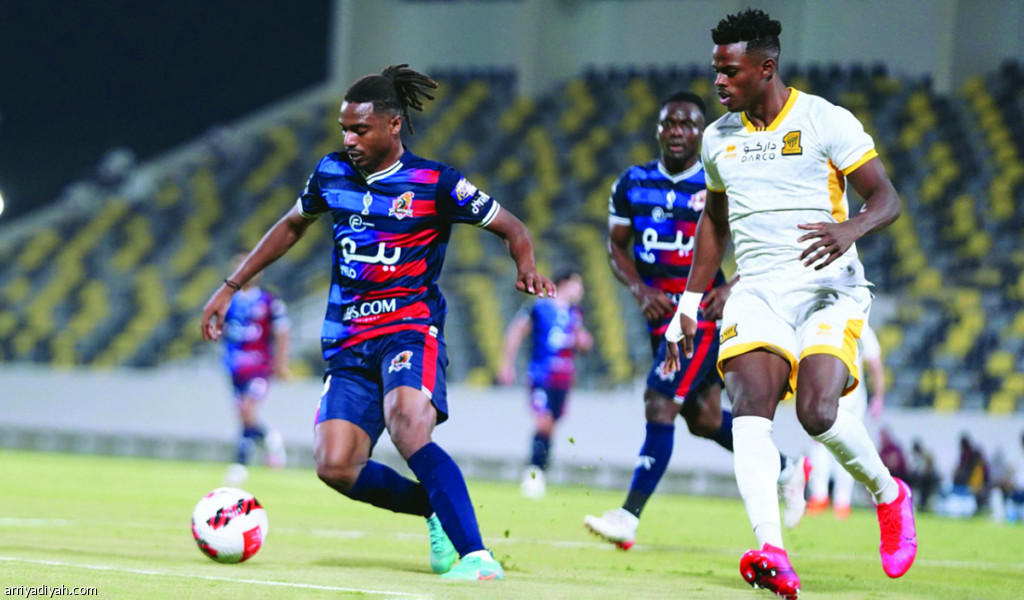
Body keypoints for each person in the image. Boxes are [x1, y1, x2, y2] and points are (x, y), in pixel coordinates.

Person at [201, 64, 556, 581]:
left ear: (393, 125)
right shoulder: (330, 173)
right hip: (349, 339)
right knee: (335, 465)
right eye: (344, 129)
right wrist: (231, 286)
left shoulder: (436, 182)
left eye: (359, 129)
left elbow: (512, 226)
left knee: (408, 424)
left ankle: (478, 558)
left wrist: (526, 265)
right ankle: (435, 507)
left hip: (409, 326)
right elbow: (292, 225)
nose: (348, 139)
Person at [664, 9, 917, 596]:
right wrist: (688, 302)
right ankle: (772, 549)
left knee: (816, 413)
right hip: (756, 290)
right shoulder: (717, 139)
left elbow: (886, 197)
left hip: (829, 289)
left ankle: (888, 493)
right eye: (715, 70)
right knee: (749, 408)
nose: (718, 82)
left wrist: (851, 229)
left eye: (730, 71)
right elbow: (714, 221)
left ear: (765, 67)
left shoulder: (825, 119)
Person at [584, 90, 808, 551]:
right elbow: (616, 247)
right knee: (704, 419)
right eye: (669, 123)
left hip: (700, 315)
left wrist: (730, 288)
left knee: (659, 402)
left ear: (702, 133)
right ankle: (787, 468)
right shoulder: (631, 183)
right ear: (657, 129)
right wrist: (639, 289)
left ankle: (627, 517)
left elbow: (768, 241)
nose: (677, 132)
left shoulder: (720, 181)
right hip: (657, 317)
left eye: (687, 124)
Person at [498, 268, 593, 499]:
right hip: (541, 374)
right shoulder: (539, 307)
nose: (581, 290)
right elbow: (517, 331)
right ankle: (533, 473)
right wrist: (506, 364)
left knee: (551, 426)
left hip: (564, 379)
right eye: (577, 284)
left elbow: (582, 343)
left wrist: (583, 341)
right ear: (565, 283)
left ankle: (539, 472)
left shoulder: (575, 313)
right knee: (543, 422)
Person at [220, 255, 291, 486]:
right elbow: (223, 329)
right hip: (234, 366)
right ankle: (268, 438)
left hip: (259, 366)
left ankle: (240, 463)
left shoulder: (269, 302)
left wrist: (281, 363)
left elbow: (282, 332)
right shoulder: (228, 301)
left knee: (248, 411)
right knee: (243, 415)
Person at [806, 323, 885, 519]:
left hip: (836, 394)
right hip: (847, 394)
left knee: (822, 443)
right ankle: (839, 501)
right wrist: (878, 397)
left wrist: (879, 397)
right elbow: (875, 365)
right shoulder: (861, 326)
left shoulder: (828, 323)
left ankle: (824, 497)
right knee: (844, 447)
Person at [907, 438, 940, 512]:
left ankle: (925, 505)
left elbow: (929, 469)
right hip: (919, 482)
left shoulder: (927, 456)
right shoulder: (913, 458)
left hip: (928, 482)